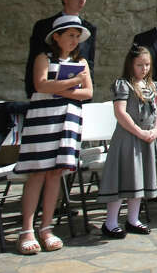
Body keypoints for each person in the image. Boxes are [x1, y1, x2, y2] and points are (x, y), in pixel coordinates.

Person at [14, 15, 93, 255]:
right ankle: (26, 229)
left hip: (67, 122)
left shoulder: (81, 62)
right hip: (44, 121)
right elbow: (41, 85)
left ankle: (46, 227)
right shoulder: (43, 58)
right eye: (70, 35)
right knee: (38, 173)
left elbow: (88, 91)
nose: (74, 40)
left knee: (55, 174)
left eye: (77, 36)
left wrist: (67, 87)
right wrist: (72, 85)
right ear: (56, 37)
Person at [97, 45, 157, 238]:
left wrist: (155, 131)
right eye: (140, 65)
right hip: (128, 138)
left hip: (147, 139)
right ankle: (110, 222)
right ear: (130, 64)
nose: (144, 69)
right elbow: (120, 112)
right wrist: (139, 132)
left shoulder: (153, 86)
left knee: (140, 179)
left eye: (147, 64)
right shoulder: (123, 84)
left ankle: (133, 219)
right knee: (123, 177)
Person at [26, 0, 97, 97]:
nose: (81, 2)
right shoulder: (44, 25)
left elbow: (89, 60)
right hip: (45, 90)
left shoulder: (89, 28)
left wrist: (87, 89)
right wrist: (32, 88)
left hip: (76, 93)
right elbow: (34, 56)